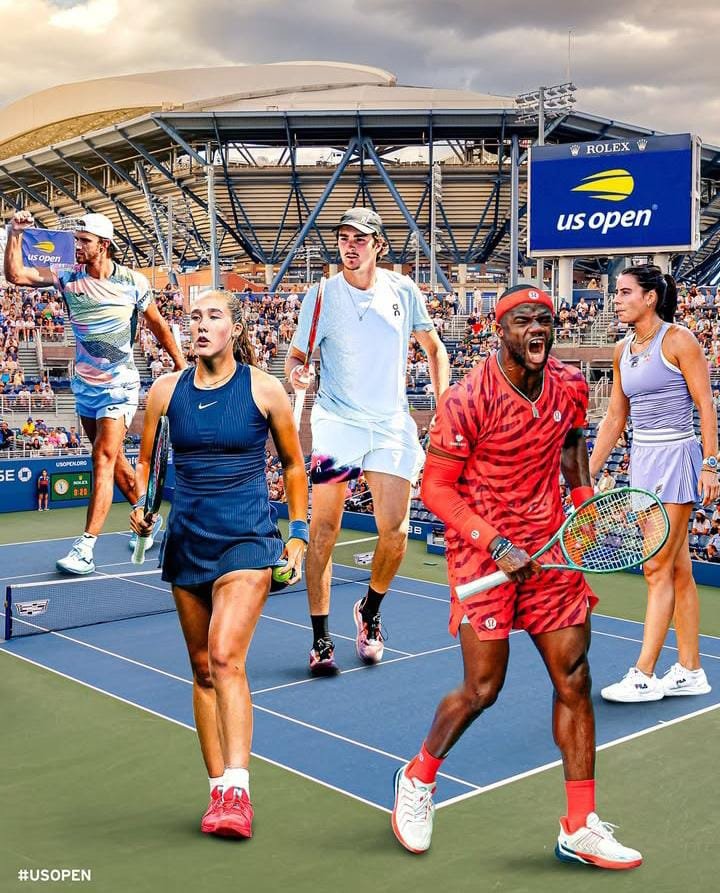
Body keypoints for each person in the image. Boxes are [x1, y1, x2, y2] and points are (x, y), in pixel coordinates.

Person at [391, 285, 642, 869]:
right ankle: (418, 777)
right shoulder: (465, 399)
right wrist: (495, 543)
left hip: (550, 550)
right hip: (483, 550)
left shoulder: (569, 385)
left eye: (546, 319)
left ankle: (580, 825)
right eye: (524, 318)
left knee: (574, 678)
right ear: (498, 330)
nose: (539, 327)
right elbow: (434, 489)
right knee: (483, 689)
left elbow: (573, 443)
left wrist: (583, 504)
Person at [131, 290, 308, 839]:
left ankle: (239, 788)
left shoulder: (264, 388)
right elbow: (147, 461)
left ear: (234, 327)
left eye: (213, 317)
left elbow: (294, 465)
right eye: (194, 318)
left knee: (226, 656)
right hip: (185, 541)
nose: (200, 326)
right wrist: (143, 505)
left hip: (248, 541)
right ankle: (216, 792)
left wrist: (297, 536)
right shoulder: (165, 390)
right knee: (203, 670)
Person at [285, 207, 449, 675]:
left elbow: (434, 349)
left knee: (394, 533)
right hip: (337, 423)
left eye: (360, 238)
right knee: (324, 531)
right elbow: (297, 356)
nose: (350, 246)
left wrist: (444, 406)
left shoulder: (403, 290)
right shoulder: (319, 297)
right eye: (343, 237)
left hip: (391, 425)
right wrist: (299, 372)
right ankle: (320, 640)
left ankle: (370, 612)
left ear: (379, 245)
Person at [5, 210, 185, 574]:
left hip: (120, 385)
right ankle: (148, 519)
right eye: (76, 240)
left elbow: (159, 327)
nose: (77, 246)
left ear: (104, 245)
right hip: (85, 386)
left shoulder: (133, 282)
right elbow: (16, 275)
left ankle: (86, 547)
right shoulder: (67, 276)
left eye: (84, 241)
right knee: (114, 460)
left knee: (102, 458)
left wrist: (182, 369)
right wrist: (14, 234)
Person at [590, 264, 716, 701]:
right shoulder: (622, 350)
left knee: (655, 567)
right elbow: (614, 418)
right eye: (617, 292)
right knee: (678, 570)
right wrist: (588, 472)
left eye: (625, 292)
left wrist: (711, 464)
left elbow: (706, 405)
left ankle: (644, 674)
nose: (617, 299)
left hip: (678, 458)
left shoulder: (679, 340)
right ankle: (690, 669)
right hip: (642, 461)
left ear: (650, 298)